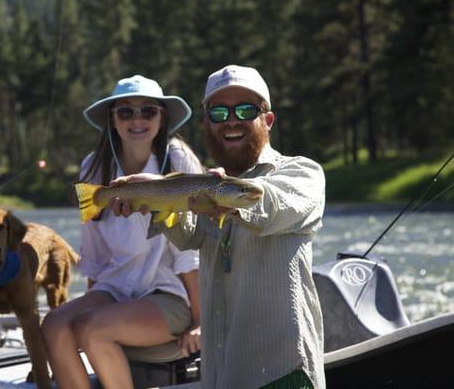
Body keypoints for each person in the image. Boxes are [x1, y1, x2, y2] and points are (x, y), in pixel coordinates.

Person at [112, 65, 326, 388]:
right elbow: (188, 235)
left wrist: (226, 196)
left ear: (267, 120)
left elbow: (269, 203)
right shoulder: (207, 186)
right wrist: (153, 199)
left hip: (283, 373)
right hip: (222, 375)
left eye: (245, 110)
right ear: (206, 125)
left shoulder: (303, 173)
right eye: (219, 112)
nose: (231, 120)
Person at [41, 75, 203, 389]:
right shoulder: (92, 167)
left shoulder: (178, 159)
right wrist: (92, 302)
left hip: (171, 293)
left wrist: (201, 322)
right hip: (116, 288)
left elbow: (190, 252)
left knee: (93, 329)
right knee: (54, 325)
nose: (137, 119)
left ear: (162, 118)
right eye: (125, 112)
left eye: (148, 111)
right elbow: (96, 254)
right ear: (112, 120)